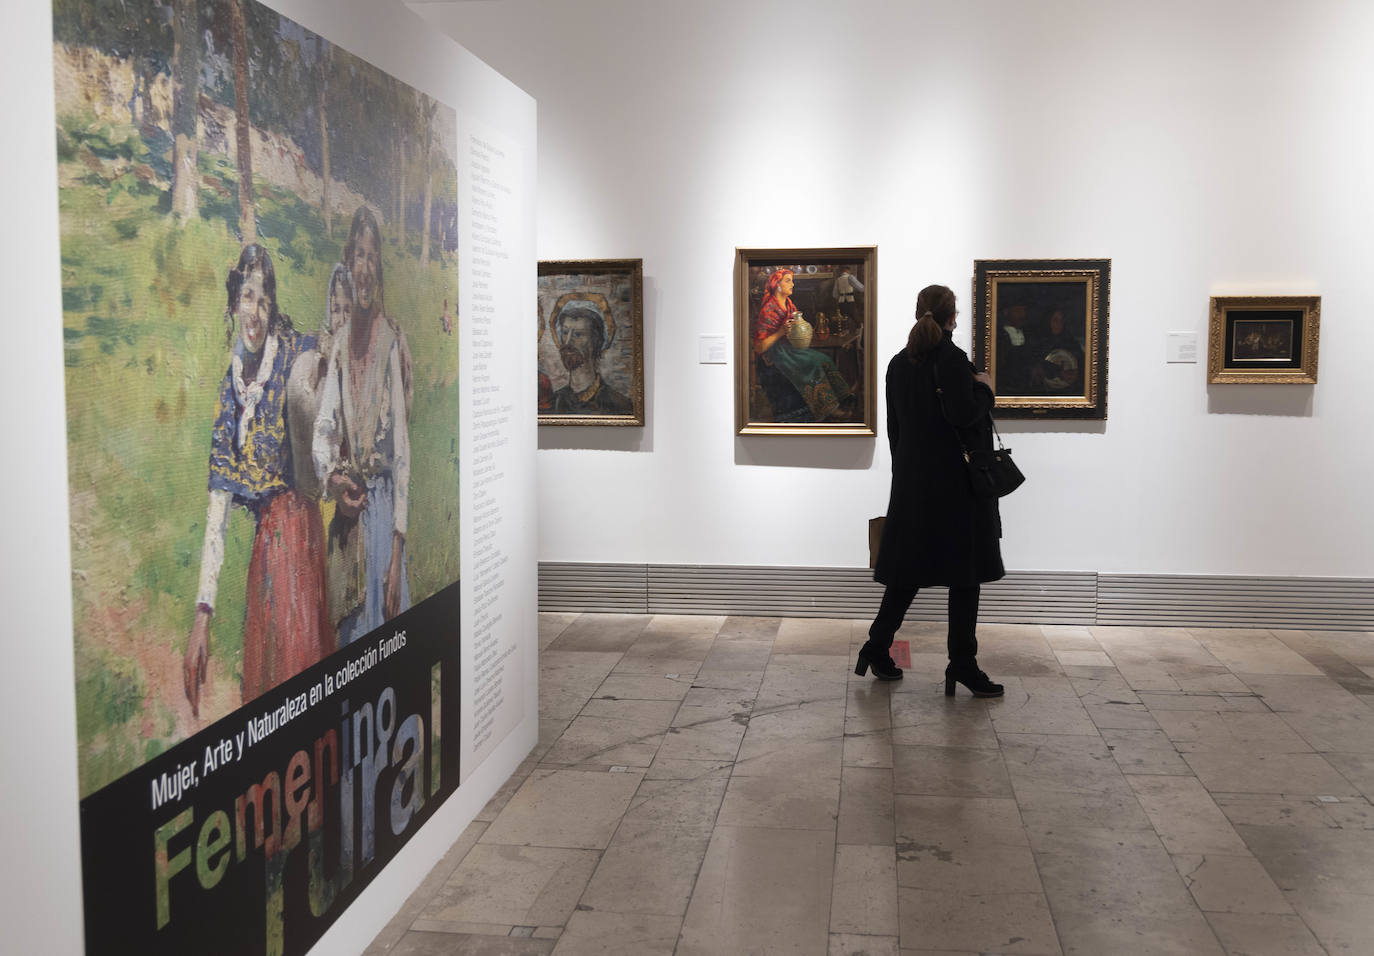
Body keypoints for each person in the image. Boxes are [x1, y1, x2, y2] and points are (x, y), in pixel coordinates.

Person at [184, 244, 330, 717]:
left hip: (300, 539)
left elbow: (332, 364)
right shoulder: (230, 395)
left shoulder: (292, 356)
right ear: (233, 303)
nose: (256, 313)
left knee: (298, 678)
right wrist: (202, 615)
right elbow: (218, 510)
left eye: (264, 302)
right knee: (267, 690)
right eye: (248, 297)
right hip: (267, 552)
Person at [860, 284, 1005, 696]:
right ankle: (962, 664)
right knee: (965, 577)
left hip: (914, 484)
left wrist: (907, 473)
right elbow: (964, 414)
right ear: (952, 317)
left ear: (918, 312)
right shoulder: (952, 360)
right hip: (957, 488)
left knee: (906, 573)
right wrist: (986, 389)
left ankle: (876, 648)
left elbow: (895, 430)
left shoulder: (898, 363)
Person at [314, 207, 412, 645]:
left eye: (373, 258)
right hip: (351, 522)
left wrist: (397, 551)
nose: (365, 268)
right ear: (348, 262)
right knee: (354, 648)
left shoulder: (389, 341)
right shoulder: (338, 346)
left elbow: (402, 452)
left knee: (390, 639)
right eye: (359, 256)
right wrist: (334, 480)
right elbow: (324, 429)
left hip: (384, 516)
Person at [753, 268, 853, 421]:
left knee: (823, 359)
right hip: (774, 354)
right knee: (813, 364)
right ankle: (829, 409)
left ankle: (843, 399)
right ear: (777, 285)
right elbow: (760, 346)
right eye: (788, 281)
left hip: (789, 349)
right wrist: (781, 332)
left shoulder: (789, 304)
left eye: (792, 281)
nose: (792, 284)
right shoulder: (768, 310)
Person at [549, 294, 633, 414]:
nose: (567, 342)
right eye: (565, 332)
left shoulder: (619, 404)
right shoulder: (554, 402)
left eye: (578, 334)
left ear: (596, 342)